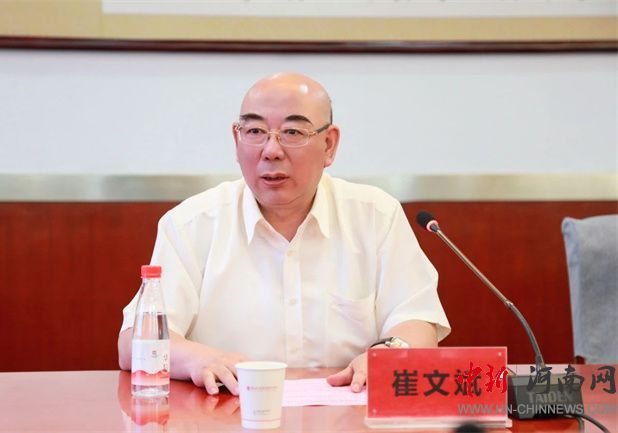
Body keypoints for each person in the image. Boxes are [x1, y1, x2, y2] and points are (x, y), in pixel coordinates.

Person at [118, 72, 450, 397]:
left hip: (349, 415)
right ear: (236, 140)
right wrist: (198, 359)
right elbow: (134, 343)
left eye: (292, 132)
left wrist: (390, 353)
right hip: (227, 414)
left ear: (329, 144)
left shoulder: (376, 216)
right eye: (255, 131)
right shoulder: (191, 224)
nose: (271, 150)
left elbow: (418, 320)